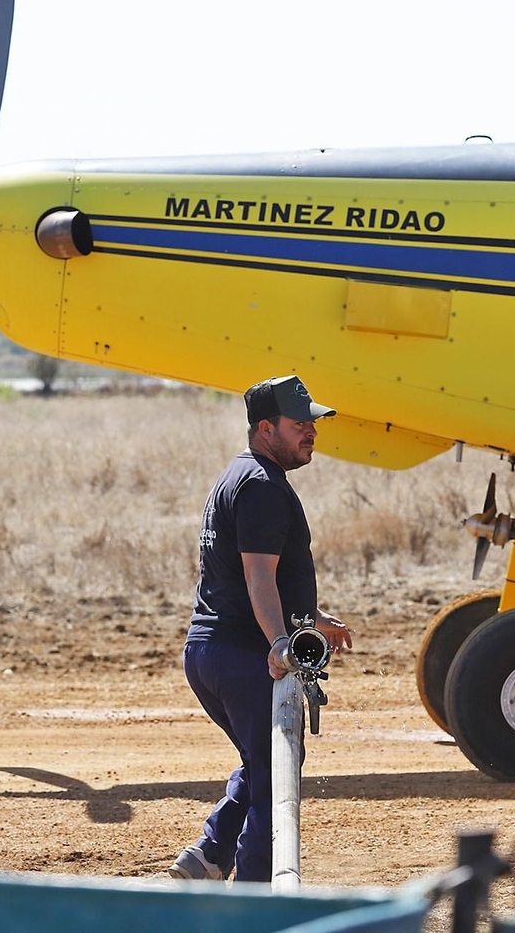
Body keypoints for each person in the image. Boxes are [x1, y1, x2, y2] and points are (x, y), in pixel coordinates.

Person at [169, 374, 353, 882]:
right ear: (266, 428)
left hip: (211, 652)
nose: (310, 433)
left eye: (311, 424)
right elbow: (257, 573)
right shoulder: (263, 487)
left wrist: (309, 619)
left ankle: (208, 856)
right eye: (299, 425)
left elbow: (243, 572)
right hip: (243, 657)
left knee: (262, 762)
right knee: (276, 777)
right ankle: (251, 897)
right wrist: (278, 642)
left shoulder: (240, 475)